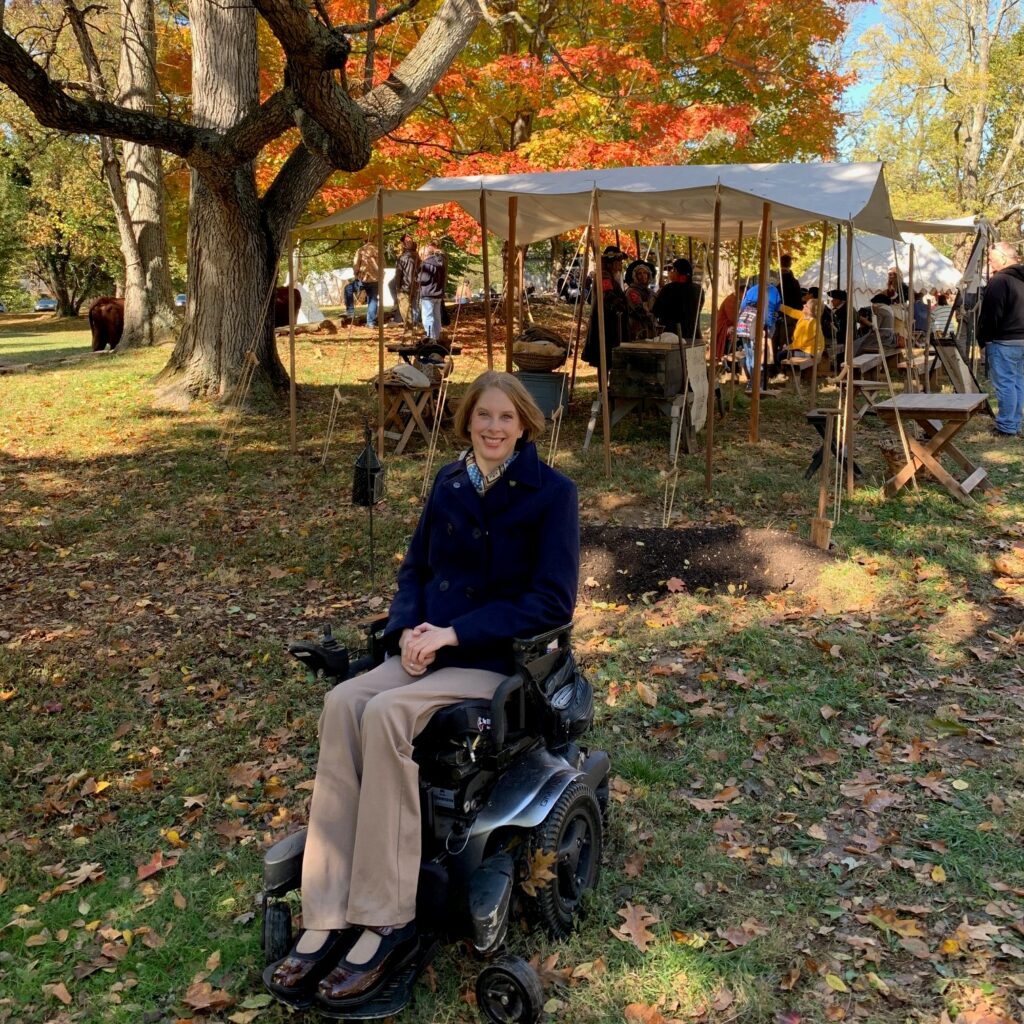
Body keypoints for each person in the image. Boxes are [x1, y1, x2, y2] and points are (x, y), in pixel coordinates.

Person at [265, 372, 579, 1008]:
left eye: (506, 418)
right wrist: (409, 627)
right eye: (483, 416)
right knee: (341, 702)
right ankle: (327, 909)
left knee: (383, 715)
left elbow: (551, 599)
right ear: (467, 422)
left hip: (493, 659)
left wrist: (452, 633)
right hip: (427, 647)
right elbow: (416, 570)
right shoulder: (448, 483)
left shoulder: (552, 494)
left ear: (524, 424)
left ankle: (387, 917)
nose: (494, 428)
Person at [977, 241, 1024, 437]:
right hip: (1021, 339)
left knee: (1006, 383)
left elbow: (990, 314)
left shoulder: (1000, 280)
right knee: (1018, 382)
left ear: (1004, 257)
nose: (989, 261)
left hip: (1004, 340)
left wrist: (984, 340)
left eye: (991, 258)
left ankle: (1007, 425)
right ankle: (1014, 422)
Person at [582, 247, 629, 382]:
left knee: (610, 357)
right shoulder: (604, 276)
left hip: (613, 323)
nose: (620, 265)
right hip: (607, 323)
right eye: (618, 262)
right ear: (610, 263)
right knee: (605, 357)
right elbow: (608, 296)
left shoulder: (612, 276)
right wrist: (619, 305)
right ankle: (603, 389)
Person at [652, 258, 704, 340]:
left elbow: (657, 311)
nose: (671, 273)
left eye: (673, 270)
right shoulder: (699, 289)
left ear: (676, 271)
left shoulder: (669, 289)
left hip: (673, 336)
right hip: (694, 335)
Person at [345, 240, 380, 328]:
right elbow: (384, 265)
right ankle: (371, 323)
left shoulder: (361, 250)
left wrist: (356, 273)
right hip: (375, 279)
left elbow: (356, 265)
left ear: (364, 241)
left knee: (348, 289)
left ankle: (350, 312)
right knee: (373, 300)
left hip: (363, 278)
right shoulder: (378, 250)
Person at [418, 241, 447, 341]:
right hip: (437, 294)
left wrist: (416, 278)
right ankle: (437, 336)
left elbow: (424, 279)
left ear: (425, 254)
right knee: (437, 316)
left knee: (428, 317)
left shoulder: (427, 264)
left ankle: (430, 336)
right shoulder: (440, 263)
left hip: (428, 294)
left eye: (421, 255)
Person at [391, 234, 420, 335]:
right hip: (415, 286)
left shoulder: (403, 257)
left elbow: (399, 274)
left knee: (405, 309)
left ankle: (409, 329)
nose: (407, 243)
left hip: (405, 286)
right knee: (414, 308)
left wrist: (398, 287)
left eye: (409, 241)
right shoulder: (417, 256)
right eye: (406, 241)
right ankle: (415, 327)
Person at [624, 262, 657, 340]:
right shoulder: (632, 291)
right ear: (635, 276)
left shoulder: (650, 292)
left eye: (645, 273)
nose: (643, 275)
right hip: (638, 329)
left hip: (650, 329)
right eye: (639, 273)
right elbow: (640, 309)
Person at [822, 288, 848, 367]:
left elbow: (841, 328)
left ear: (841, 301)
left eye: (834, 299)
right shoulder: (840, 309)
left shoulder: (844, 311)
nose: (832, 301)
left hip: (843, 339)